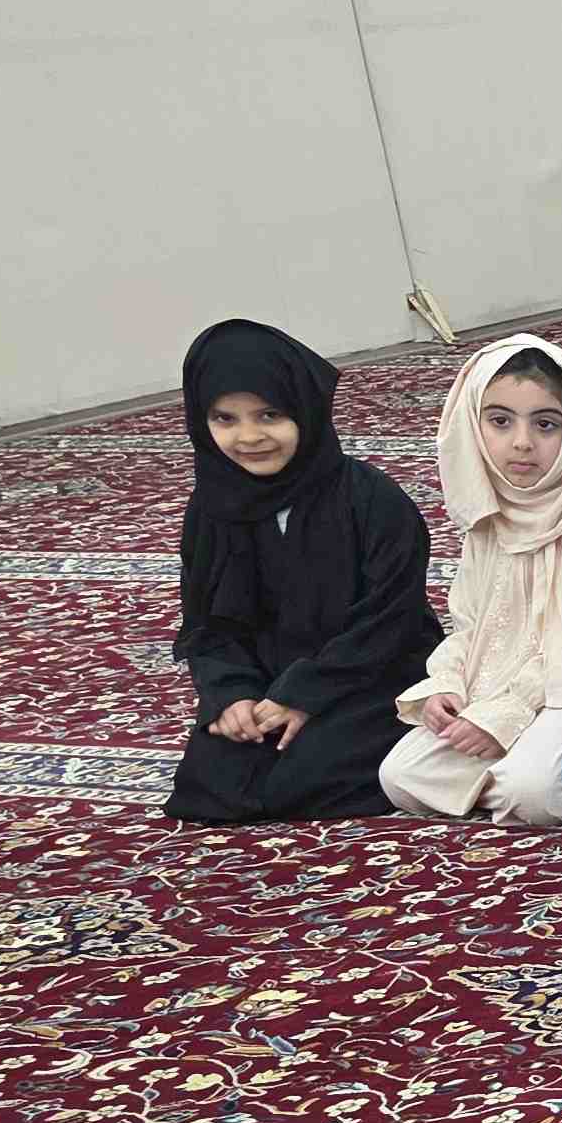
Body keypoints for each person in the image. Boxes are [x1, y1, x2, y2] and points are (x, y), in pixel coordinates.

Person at [165, 316, 441, 825]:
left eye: (269, 415)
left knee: (299, 778)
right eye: (225, 419)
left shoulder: (370, 499)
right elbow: (207, 623)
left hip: (371, 677)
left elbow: (390, 619)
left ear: (305, 410)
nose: (249, 437)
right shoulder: (211, 509)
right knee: (210, 781)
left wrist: (304, 695)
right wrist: (233, 696)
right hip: (267, 682)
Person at [383, 333, 562, 829]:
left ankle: (529, 773)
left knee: (530, 795)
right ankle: (513, 770)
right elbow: (471, 621)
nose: (521, 443)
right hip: (502, 678)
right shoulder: (494, 503)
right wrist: (448, 684)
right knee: (400, 776)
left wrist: (508, 714)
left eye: (545, 424)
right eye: (499, 421)